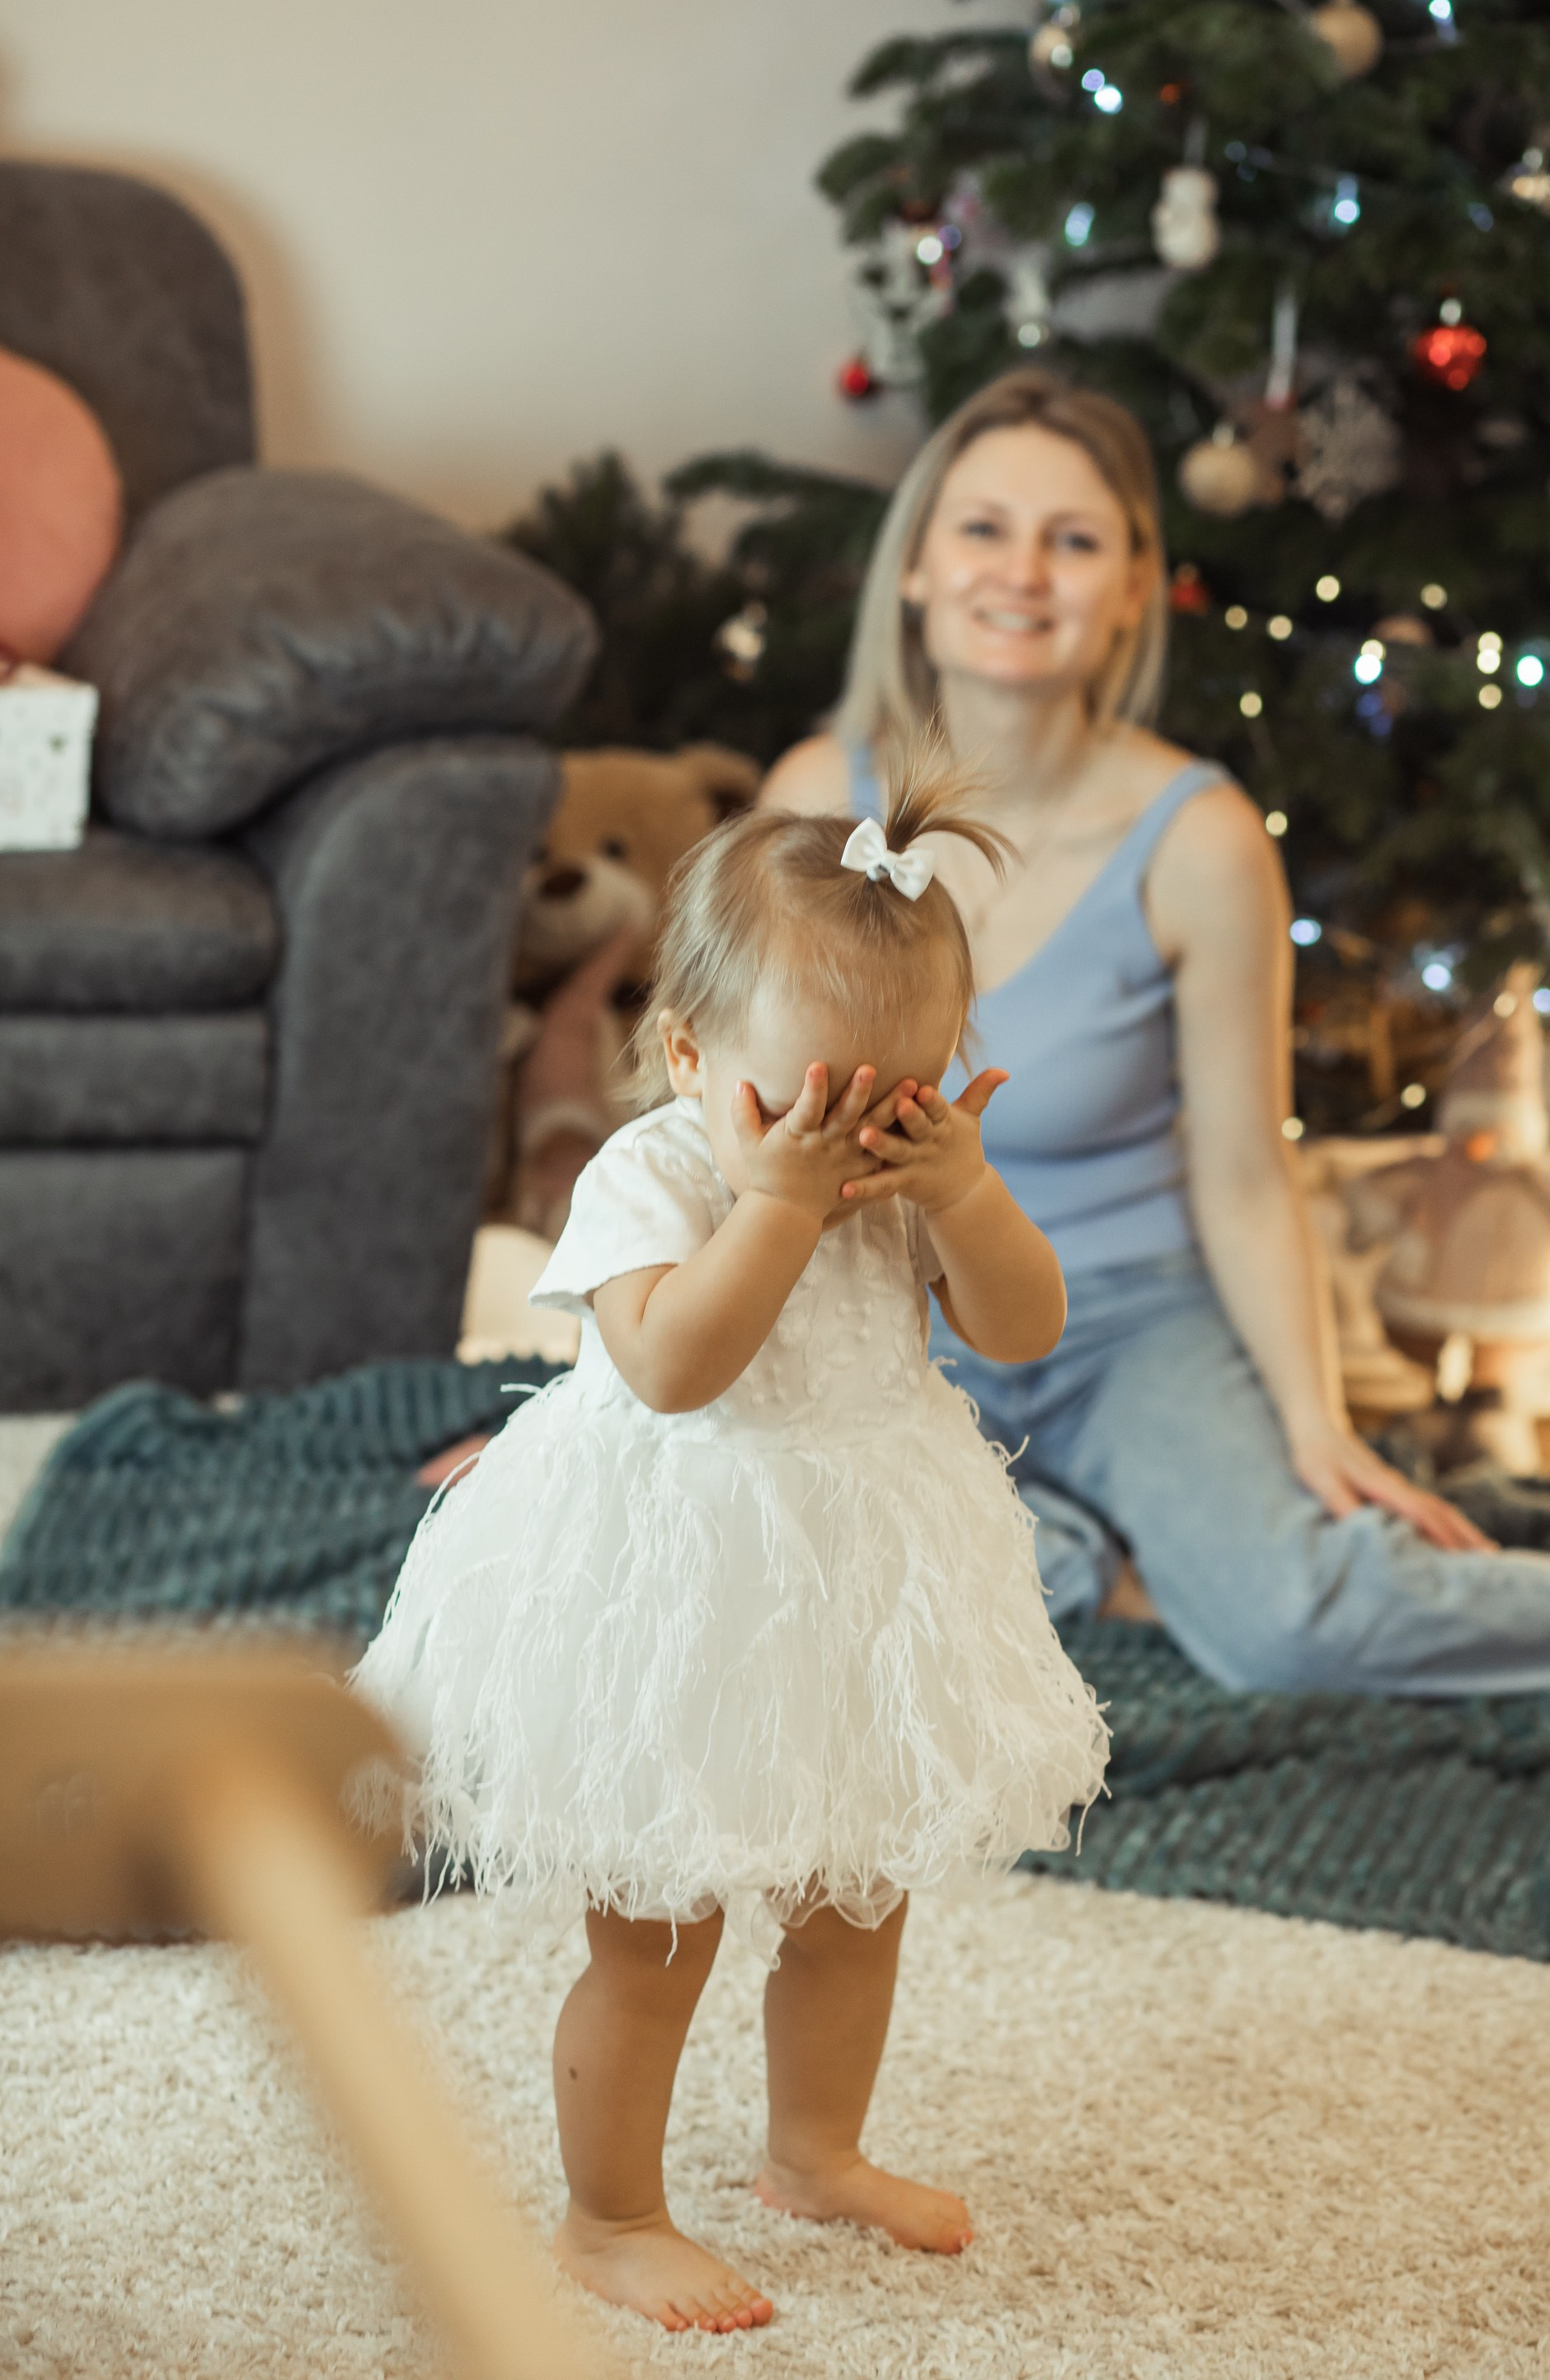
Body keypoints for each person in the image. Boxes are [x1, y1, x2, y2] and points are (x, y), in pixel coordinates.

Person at [354, 758, 1106, 2336]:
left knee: (857, 1897)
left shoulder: (894, 1176)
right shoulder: (655, 1173)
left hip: (851, 1577)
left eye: (890, 1104)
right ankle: (609, 2213)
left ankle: (815, 2150)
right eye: (808, 1102)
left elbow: (1026, 1330)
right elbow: (677, 1369)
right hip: (676, 1593)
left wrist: (960, 1191)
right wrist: (774, 1201)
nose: (845, 1144)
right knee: (659, 1932)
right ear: (688, 1053)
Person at [764, 365, 1550, 1696]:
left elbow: (1244, 1168)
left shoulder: (1202, 840)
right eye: (985, 528)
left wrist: (1315, 1423)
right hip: (883, 1323)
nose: (1025, 572)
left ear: (1132, 588)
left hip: (1128, 1327)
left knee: (1288, 1625)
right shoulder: (806, 803)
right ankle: (1081, 1563)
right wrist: (611, 1396)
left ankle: (1113, 1561)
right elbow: (716, 1130)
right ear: (917, 569)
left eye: (1075, 541)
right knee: (762, 1571)